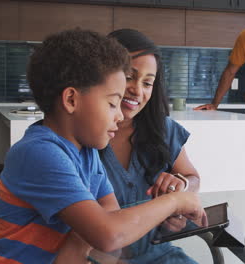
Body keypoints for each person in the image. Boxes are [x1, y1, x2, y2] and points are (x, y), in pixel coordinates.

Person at [0, 29, 203, 264]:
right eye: (113, 103)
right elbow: (108, 234)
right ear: (71, 100)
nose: (120, 116)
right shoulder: (39, 153)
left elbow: (107, 218)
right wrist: (173, 201)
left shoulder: (87, 152)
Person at [97, 28, 200, 264]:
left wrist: (180, 188)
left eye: (148, 82)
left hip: (158, 254)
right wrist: (170, 204)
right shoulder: (84, 136)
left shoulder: (161, 128)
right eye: (129, 76)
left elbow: (192, 178)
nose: (137, 90)